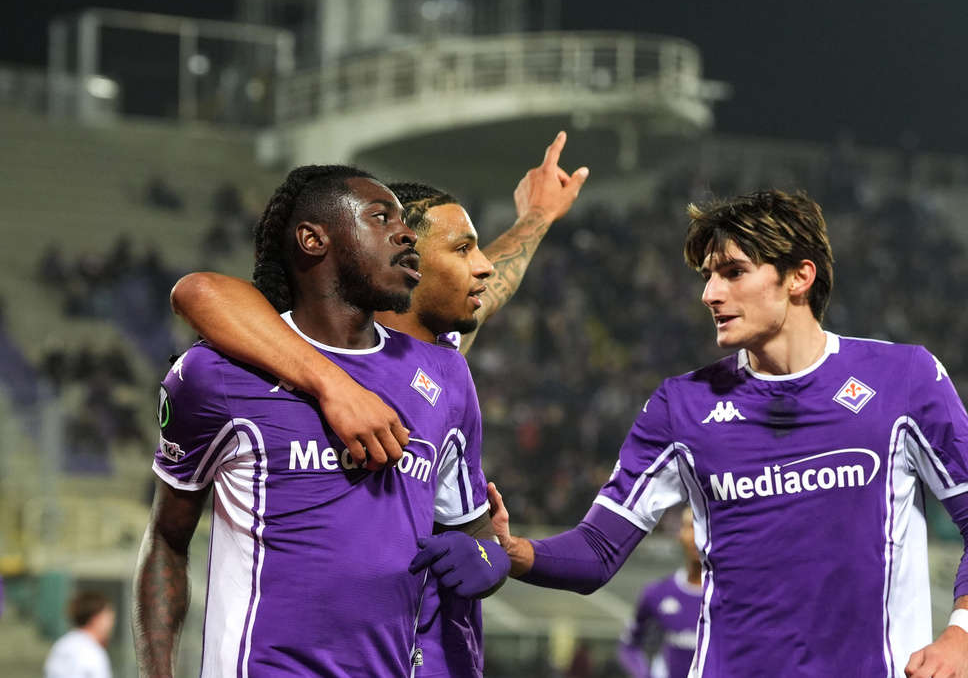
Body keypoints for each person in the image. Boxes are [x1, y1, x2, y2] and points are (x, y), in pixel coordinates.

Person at [487, 189, 968, 678]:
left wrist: (961, 638)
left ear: (799, 277)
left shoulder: (904, 379)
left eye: (733, 272)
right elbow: (599, 549)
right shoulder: (681, 406)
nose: (710, 294)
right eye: (706, 276)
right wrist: (511, 551)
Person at [166, 133, 588, 677]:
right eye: (461, 250)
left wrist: (537, 216)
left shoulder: (441, 362)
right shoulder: (270, 356)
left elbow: (497, 278)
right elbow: (202, 292)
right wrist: (333, 384)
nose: (482, 267)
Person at [618, 506, 702, 678]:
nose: (697, 536)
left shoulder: (733, 597)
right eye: (691, 527)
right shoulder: (657, 594)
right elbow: (629, 646)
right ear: (680, 534)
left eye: (703, 527)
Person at [43, 591, 115, 678]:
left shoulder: (61, 645)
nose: (111, 623)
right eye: (108, 617)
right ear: (96, 619)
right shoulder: (92, 653)